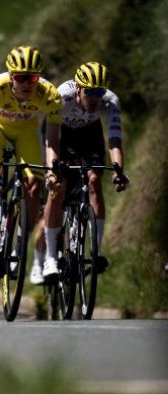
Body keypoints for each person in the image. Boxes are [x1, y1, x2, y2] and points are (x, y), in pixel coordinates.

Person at [0, 45, 64, 279]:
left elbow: (52, 140)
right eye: (21, 78)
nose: (27, 83)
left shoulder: (50, 94)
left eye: (32, 77)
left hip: (28, 132)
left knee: (34, 185)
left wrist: (53, 171)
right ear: (11, 76)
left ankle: (19, 247)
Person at [41, 62, 126, 281]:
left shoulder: (110, 101)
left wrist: (119, 169)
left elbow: (115, 139)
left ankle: (95, 252)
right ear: (78, 88)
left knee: (95, 181)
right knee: (59, 188)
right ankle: (50, 257)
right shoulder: (62, 97)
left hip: (90, 135)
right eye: (90, 92)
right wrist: (53, 169)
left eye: (100, 92)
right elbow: (51, 137)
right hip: (61, 134)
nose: (95, 98)